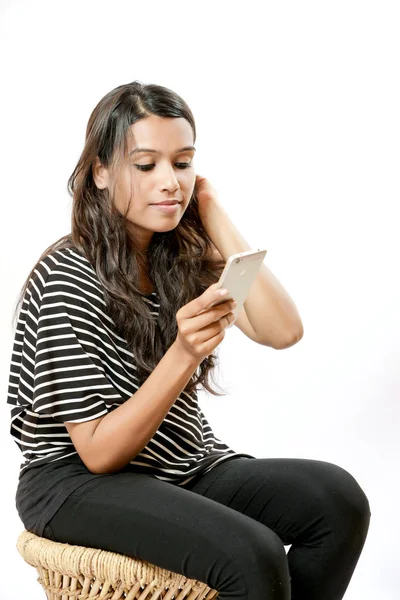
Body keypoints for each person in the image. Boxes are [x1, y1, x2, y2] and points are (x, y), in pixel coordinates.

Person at [7, 81, 370, 600]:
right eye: (146, 164)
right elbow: (99, 454)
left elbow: (283, 330)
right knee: (253, 554)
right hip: (75, 483)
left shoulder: (173, 255)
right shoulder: (68, 276)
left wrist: (213, 210)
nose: (170, 181)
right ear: (101, 172)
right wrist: (183, 353)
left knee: (337, 502)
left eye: (182, 162)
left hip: (182, 465)